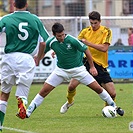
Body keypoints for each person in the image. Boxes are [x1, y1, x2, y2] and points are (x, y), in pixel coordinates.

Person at [26, 22, 121, 119]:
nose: (62, 37)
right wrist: (37, 58)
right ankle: (28, 112)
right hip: (60, 71)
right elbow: (42, 52)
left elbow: (86, 50)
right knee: (44, 91)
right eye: (59, 36)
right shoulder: (51, 42)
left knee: (98, 88)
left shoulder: (72, 40)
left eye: (63, 34)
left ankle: (114, 106)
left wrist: (92, 67)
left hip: (79, 70)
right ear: (54, 35)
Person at [60, 11, 124, 116]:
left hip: (100, 65)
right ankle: (69, 102)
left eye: (95, 23)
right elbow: (74, 44)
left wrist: (88, 43)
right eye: (91, 23)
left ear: (100, 21)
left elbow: (104, 48)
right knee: (71, 86)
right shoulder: (85, 32)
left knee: (112, 93)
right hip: (85, 62)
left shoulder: (106, 31)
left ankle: (107, 109)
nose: (93, 25)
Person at [0, 0, 49, 130]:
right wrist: (39, 57)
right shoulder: (35, 19)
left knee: (4, 93)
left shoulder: (6, 19)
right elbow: (45, 42)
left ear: (14, 5)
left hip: (9, 58)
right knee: (22, 93)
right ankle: (22, 101)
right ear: (26, 5)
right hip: (27, 59)